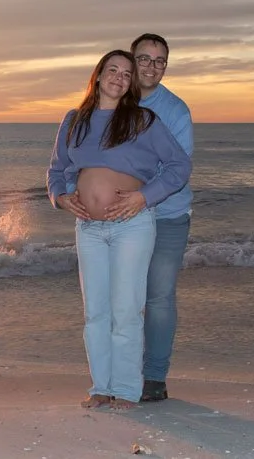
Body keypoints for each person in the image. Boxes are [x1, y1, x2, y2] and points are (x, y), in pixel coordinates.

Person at [47, 50, 191, 410]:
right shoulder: (74, 120)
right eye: (112, 70)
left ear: (130, 84)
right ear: (98, 75)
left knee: (126, 310)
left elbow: (179, 165)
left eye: (127, 74)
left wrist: (145, 197)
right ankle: (101, 387)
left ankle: (126, 390)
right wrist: (61, 198)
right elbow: (56, 170)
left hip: (131, 226)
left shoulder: (143, 120)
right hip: (88, 228)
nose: (119, 77)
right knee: (95, 311)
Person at [119, 33, 194, 403]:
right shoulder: (114, 101)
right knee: (121, 299)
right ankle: (119, 374)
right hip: (120, 218)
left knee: (159, 298)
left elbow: (177, 170)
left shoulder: (176, 111)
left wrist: (141, 196)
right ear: (132, 60)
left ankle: (154, 378)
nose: (151, 67)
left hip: (166, 216)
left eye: (159, 60)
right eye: (144, 59)